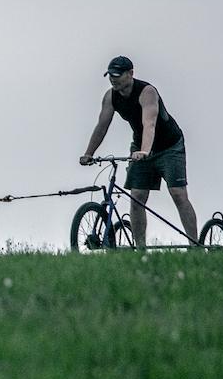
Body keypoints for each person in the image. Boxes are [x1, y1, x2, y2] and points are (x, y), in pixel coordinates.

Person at [79, 56, 198, 249]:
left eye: (117, 75)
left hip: (169, 146)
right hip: (141, 147)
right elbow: (102, 126)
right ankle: (140, 249)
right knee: (136, 197)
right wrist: (89, 153)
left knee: (178, 193)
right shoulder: (111, 97)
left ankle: (195, 246)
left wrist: (145, 150)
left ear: (130, 74)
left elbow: (149, 123)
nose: (113, 79)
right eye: (110, 75)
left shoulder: (147, 92)